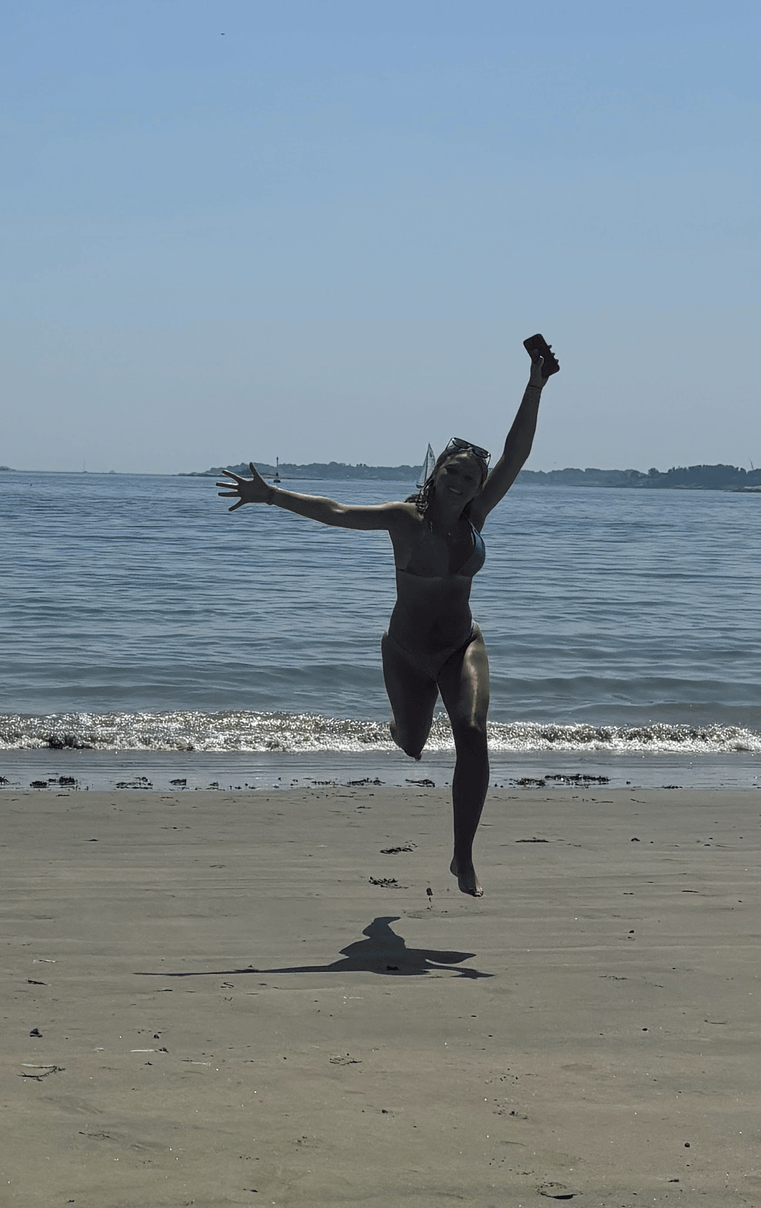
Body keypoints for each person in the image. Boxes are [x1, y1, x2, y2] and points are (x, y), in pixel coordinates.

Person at [215, 334, 561, 896]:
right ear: (436, 473)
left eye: (471, 478)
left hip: (459, 646)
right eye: (453, 472)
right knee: (413, 745)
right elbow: (335, 510)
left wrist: (535, 385)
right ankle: (401, 725)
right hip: (404, 653)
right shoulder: (405, 521)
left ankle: (462, 857)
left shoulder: (479, 516)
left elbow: (516, 452)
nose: (461, 482)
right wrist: (271, 495)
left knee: (472, 734)